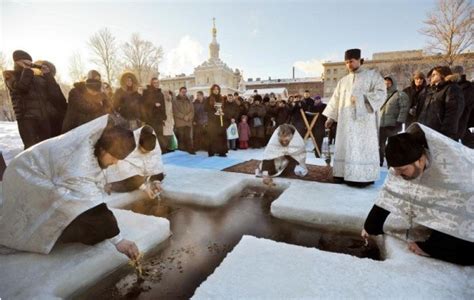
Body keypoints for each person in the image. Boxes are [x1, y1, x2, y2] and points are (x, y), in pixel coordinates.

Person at [0, 115, 140, 259]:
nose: (116, 162)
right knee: (89, 223)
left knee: (94, 228)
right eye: (114, 157)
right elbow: (93, 208)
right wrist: (119, 240)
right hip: (27, 177)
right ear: (104, 149)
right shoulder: (78, 163)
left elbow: (92, 179)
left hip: (43, 176)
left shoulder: (94, 146)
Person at [361, 124, 473, 265]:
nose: (397, 175)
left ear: (420, 160)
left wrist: (430, 248)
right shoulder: (402, 164)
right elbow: (391, 193)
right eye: (395, 170)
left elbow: (458, 213)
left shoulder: (458, 174)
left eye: (402, 170)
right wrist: (371, 225)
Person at [323, 48, 386, 186]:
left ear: (360, 60)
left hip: (363, 123)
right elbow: (335, 100)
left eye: (351, 61)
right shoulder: (343, 81)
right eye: (346, 62)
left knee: (359, 148)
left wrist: (361, 98)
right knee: (345, 146)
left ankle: (362, 176)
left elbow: (381, 93)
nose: (348, 65)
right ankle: (342, 174)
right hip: (345, 122)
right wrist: (330, 118)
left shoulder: (373, 76)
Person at [3, 50, 66, 149]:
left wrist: (48, 75)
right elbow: (21, 88)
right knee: (32, 149)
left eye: (30, 61)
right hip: (27, 119)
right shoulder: (10, 75)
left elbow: (53, 93)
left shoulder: (35, 77)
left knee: (46, 148)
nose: (29, 63)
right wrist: (27, 70)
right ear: (17, 61)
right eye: (25, 60)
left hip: (43, 118)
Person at [106, 125, 164, 196]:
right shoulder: (128, 141)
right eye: (143, 151)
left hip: (140, 170)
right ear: (139, 144)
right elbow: (123, 167)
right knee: (129, 185)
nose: (145, 154)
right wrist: (143, 187)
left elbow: (156, 159)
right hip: (126, 171)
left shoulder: (153, 138)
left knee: (160, 175)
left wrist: (156, 181)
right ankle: (111, 185)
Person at [416, 66, 464, 140]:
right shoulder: (430, 90)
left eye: (435, 74)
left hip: (440, 133)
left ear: (443, 75)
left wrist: (445, 132)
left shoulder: (451, 88)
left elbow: (453, 113)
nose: (432, 76)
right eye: (432, 74)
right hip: (425, 130)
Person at [379, 76, 409, 166]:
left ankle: (391, 163)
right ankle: (380, 161)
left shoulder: (400, 95)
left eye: (388, 83)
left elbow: (404, 108)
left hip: (392, 125)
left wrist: (399, 121)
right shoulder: (381, 95)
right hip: (381, 125)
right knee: (380, 145)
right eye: (385, 83)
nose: (386, 84)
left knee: (392, 145)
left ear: (393, 83)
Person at [141, 77, 167, 151]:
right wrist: (154, 104)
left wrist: (164, 116)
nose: (156, 84)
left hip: (159, 118)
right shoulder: (146, 92)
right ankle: (151, 150)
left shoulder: (160, 93)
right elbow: (144, 104)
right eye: (154, 83)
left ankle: (161, 150)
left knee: (160, 134)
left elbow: (163, 105)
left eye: (157, 82)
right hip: (150, 118)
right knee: (151, 135)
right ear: (151, 83)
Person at [452, 66, 474, 148]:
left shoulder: (468, 87)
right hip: (457, 124)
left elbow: (465, 105)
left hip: (463, 123)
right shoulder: (450, 86)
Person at [205, 84, 228, 156]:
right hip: (212, 121)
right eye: (214, 89)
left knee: (221, 136)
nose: (216, 90)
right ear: (212, 90)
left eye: (217, 89)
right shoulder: (208, 99)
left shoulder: (222, 98)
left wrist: (223, 112)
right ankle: (212, 151)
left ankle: (222, 151)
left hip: (221, 120)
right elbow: (205, 109)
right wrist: (214, 112)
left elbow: (225, 109)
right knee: (212, 136)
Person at [173, 87, 195, 154]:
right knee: (181, 137)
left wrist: (188, 116)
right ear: (179, 92)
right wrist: (183, 116)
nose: (184, 93)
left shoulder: (189, 100)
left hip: (188, 122)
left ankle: (190, 150)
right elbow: (175, 111)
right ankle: (181, 151)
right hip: (180, 122)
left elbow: (192, 111)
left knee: (188, 137)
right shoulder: (175, 100)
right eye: (182, 92)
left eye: (185, 92)